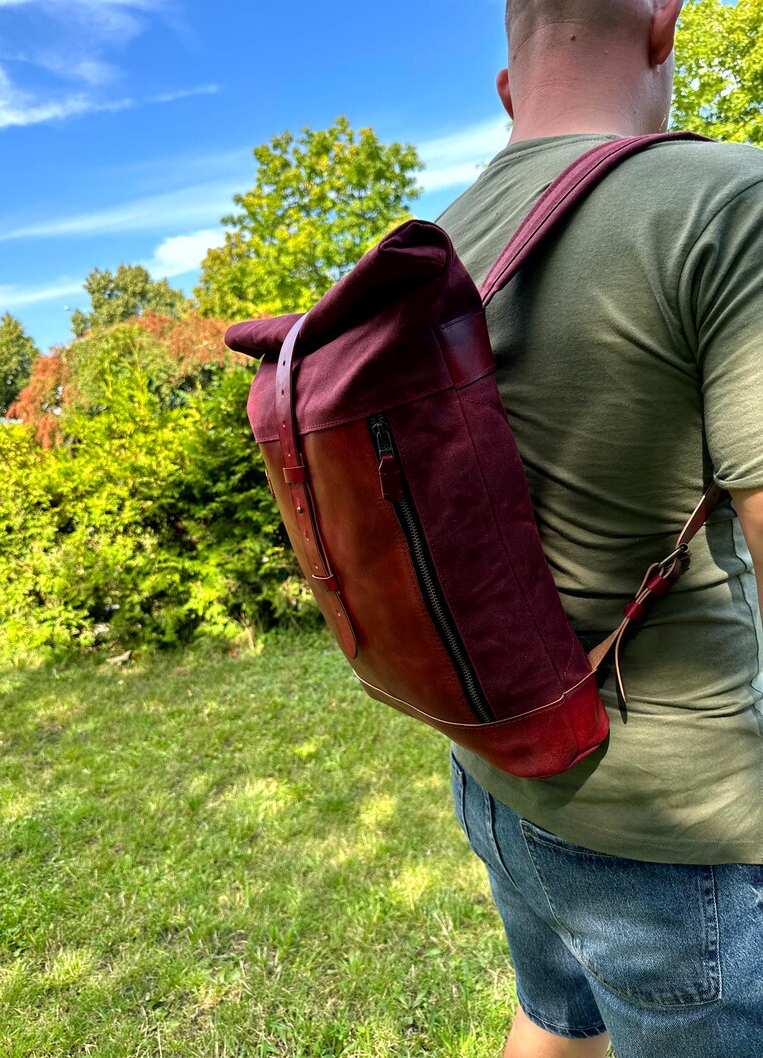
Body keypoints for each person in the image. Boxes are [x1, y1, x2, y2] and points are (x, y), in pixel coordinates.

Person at [437, 1, 763, 1056]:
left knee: (549, 1017)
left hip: (496, 776)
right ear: (662, 21)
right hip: (681, 837)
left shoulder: (432, 247)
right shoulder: (723, 199)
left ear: (505, 84)